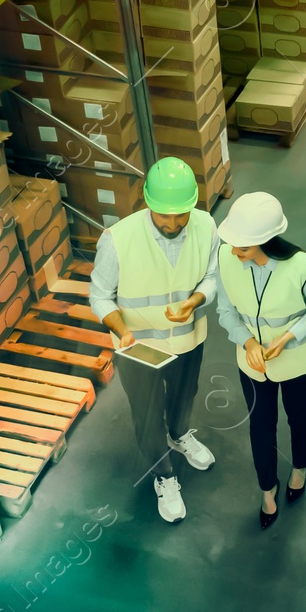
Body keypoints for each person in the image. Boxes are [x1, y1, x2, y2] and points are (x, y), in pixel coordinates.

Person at [90, 158, 220, 523]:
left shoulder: (207, 227)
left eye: (182, 215)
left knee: (184, 397)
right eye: (165, 215)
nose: (173, 223)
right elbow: (99, 295)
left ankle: (179, 435)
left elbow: (212, 276)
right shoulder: (118, 240)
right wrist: (121, 329)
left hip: (187, 339)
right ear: (147, 202)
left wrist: (195, 300)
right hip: (139, 347)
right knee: (148, 417)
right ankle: (164, 476)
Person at [213, 192, 306, 530]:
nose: (236, 253)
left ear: (266, 241)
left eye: (244, 248)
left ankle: (300, 467)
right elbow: (225, 311)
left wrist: (288, 337)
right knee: (260, 426)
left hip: (299, 360)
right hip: (252, 363)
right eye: (234, 244)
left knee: (300, 416)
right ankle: (268, 488)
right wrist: (248, 341)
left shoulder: (302, 266)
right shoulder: (225, 258)